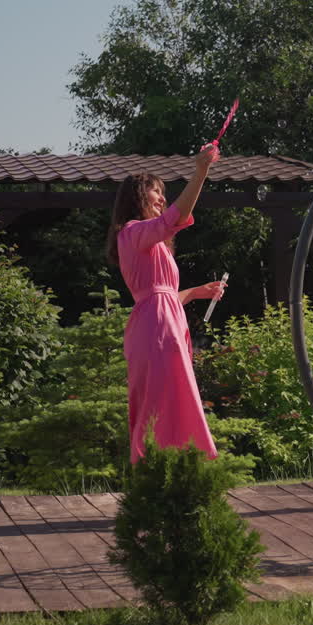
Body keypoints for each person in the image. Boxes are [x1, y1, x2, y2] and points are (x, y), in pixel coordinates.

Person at [107, 144, 227, 464]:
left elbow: (163, 295)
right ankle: (157, 467)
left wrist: (195, 292)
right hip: (157, 328)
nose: (161, 198)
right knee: (160, 401)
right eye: (155, 192)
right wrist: (200, 172)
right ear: (137, 197)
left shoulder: (152, 242)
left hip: (163, 323)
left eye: (163, 192)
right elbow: (178, 216)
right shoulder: (133, 232)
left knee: (172, 398)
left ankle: (176, 467)